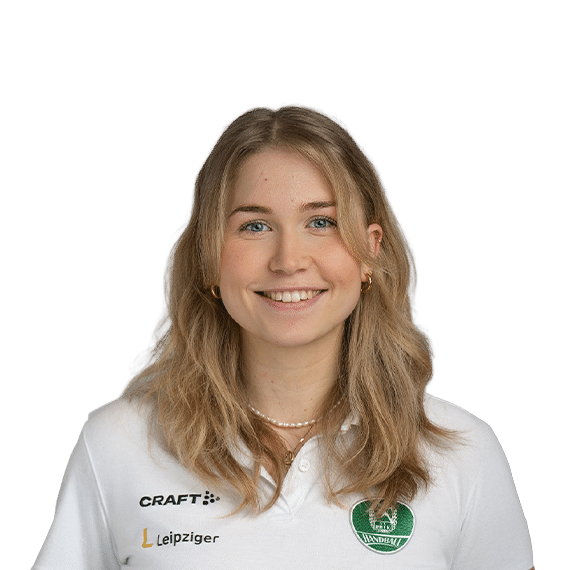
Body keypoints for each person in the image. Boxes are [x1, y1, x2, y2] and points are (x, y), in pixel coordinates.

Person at [33, 104, 534, 569]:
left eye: (321, 222)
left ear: (370, 253)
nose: (289, 260)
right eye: (255, 226)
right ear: (210, 256)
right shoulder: (118, 445)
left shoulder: (462, 453)